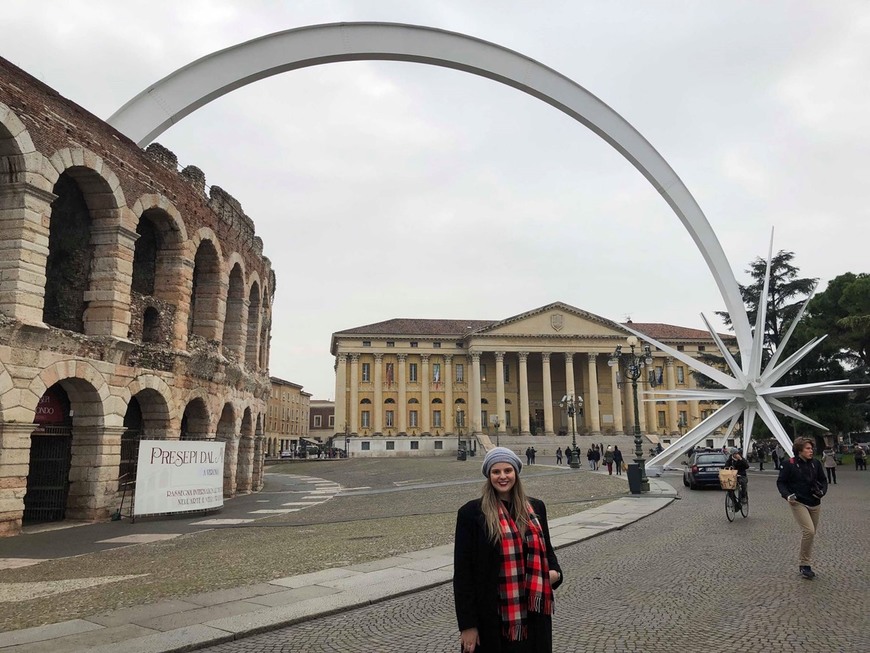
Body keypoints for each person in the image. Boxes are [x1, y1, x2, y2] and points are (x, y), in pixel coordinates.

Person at [454, 447, 563, 652]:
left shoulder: (536, 508)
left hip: (534, 616)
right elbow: (463, 575)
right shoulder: (471, 514)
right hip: (493, 618)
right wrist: (468, 625)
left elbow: (547, 550)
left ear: (516, 473)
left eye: (507, 470)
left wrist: (556, 573)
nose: (502, 476)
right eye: (496, 472)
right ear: (489, 475)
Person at [777, 437, 828, 580]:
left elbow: (823, 480)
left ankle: (804, 562)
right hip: (798, 502)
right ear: (799, 450)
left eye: (811, 448)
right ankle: (804, 564)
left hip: (815, 502)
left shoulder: (816, 464)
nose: (811, 451)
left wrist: (822, 491)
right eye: (808, 448)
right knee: (809, 531)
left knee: (811, 533)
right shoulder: (789, 464)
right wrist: (787, 496)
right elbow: (781, 482)